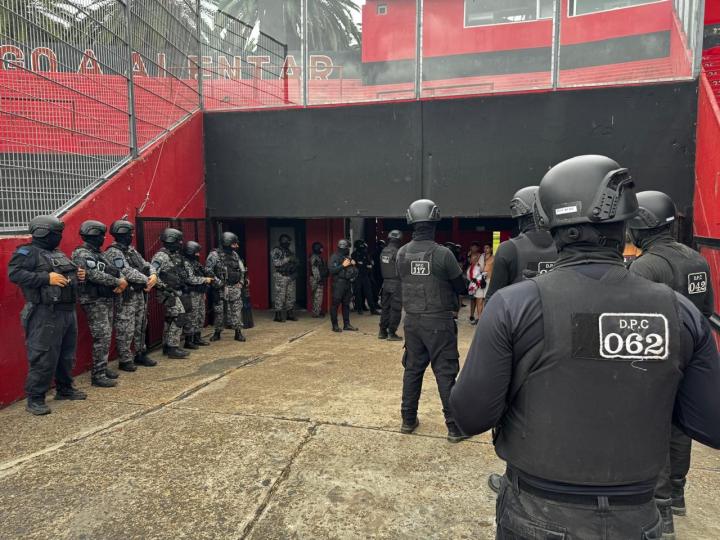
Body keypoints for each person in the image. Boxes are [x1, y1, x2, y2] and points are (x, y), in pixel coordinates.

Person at [450, 155, 720, 539]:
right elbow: (711, 422)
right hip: (638, 516)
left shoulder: (514, 305)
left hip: (536, 512)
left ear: (550, 222)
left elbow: (470, 413)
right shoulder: (679, 312)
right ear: (626, 222)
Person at [628, 190, 716, 536]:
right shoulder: (697, 260)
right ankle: (677, 491)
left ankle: (660, 505)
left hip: (656, 355)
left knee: (653, 425)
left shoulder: (645, 266)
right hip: (692, 351)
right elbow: (706, 310)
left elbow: (629, 319)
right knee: (680, 427)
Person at [397, 200, 469, 442]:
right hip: (439, 322)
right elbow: (461, 286)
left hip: (413, 322)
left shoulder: (402, 253)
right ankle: (454, 427)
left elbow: (404, 279)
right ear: (435, 221)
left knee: (412, 370)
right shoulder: (443, 254)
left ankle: (408, 420)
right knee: (445, 373)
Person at [8, 215, 87, 415]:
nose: (58, 237)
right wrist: (46, 278)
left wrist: (77, 275)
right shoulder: (27, 252)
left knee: (66, 355)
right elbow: (14, 274)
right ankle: (35, 398)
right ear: (43, 232)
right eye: (56, 233)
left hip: (67, 311)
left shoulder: (56, 253)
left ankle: (65, 389)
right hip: (45, 313)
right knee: (43, 356)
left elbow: (65, 275)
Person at [72, 220, 127, 388]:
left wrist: (121, 279)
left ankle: (102, 367)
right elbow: (93, 274)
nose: (104, 238)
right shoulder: (82, 254)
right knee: (101, 336)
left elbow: (112, 269)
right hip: (93, 300)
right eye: (102, 236)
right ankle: (98, 374)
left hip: (105, 298)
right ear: (94, 235)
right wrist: (117, 281)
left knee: (106, 334)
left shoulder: (98, 253)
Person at [484, 186, 558, 303]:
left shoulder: (508, 249)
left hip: (520, 318)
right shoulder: (566, 245)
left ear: (520, 218)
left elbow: (492, 299)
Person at [106, 220, 158, 371]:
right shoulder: (113, 252)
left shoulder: (131, 250)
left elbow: (146, 264)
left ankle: (140, 353)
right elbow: (127, 272)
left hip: (139, 293)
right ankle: (125, 359)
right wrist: (147, 280)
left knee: (141, 324)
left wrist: (154, 274)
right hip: (126, 296)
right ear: (121, 234)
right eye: (129, 234)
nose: (131, 236)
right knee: (125, 327)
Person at [151, 228, 191, 358]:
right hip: (167, 293)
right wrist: (165, 288)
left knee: (170, 319)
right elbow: (153, 275)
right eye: (178, 241)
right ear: (171, 240)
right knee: (179, 316)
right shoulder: (161, 256)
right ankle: (173, 347)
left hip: (175, 291)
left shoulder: (174, 255)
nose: (180, 243)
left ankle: (167, 346)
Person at [205, 232, 246, 342]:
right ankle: (217, 332)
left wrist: (241, 282)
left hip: (234, 287)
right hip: (220, 288)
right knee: (219, 311)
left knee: (236, 310)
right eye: (234, 244)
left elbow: (242, 270)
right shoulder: (214, 255)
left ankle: (238, 332)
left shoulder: (235, 255)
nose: (236, 246)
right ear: (227, 243)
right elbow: (208, 271)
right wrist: (219, 283)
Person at [181, 241, 214, 349]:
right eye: (196, 252)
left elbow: (203, 272)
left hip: (199, 292)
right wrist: (205, 279)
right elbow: (190, 279)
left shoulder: (195, 262)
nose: (198, 255)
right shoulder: (185, 263)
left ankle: (197, 337)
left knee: (200, 315)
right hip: (191, 293)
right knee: (192, 317)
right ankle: (189, 340)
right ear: (190, 252)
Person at [328, 239, 359, 332]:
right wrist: (343, 265)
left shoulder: (346, 257)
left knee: (346, 304)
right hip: (338, 284)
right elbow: (332, 271)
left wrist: (353, 265)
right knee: (335, 305)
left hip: (347, 283)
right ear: (343, 247)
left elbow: (351, 271)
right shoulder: (334, 257)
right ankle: (335, 325)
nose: (348, 250)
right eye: (347, 248)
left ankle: (347, 324)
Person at [378, 230, 403, 341]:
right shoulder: (398, 252)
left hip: (385, 283)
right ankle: (391, 333)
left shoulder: (384, 251)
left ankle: (382, 331)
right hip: (396, 283)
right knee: (396, 309)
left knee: (385, 308)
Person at [271, 234, 298, 322]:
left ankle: (289, 314)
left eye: (289, 242)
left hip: (290, 276)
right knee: (280, 296)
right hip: (281, 276)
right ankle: (277, 315)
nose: (288, 243)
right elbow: (276, 263)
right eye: (287, 241)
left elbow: (294, 262)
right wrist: (288, 259)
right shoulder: (276, 250)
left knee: (290, 296)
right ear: (282, 241)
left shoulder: (289, 251)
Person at [352, 240, 380, 315]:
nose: (365, 249)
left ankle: (373, 309)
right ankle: (359, 308)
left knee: (369, 293)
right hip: (358, 276)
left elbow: (370, 264)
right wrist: (365, 265)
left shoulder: (365, 254)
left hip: (365, 276)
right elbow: (356, 264)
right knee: (358, 293)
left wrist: (364, 265)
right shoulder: (354, 254)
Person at [466, 243, 490, 324]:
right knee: (474, 299)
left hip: (481, 279)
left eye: (475, 247)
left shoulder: (481, 256)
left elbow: (482, 268)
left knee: (482, 299)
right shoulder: (469, 255)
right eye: (472, 246)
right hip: (472, 280)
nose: (473, 248)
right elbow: (469, 264)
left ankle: (483, 318)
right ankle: (473, 316)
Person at [309, 241, 328, 318]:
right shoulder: (315, 258)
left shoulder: (317, 257)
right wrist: (319, 279)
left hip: (317, 278)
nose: (322, 249)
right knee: (317, 296)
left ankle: (317, 311)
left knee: (317, 296)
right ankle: (316, 313)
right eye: (320, 248)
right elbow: (315, 269)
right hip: (316, 279)